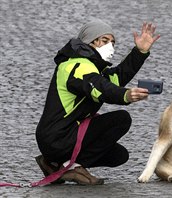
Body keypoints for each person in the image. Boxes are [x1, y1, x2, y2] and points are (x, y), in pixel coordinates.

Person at [35, 18, 160, 185]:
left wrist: (140, 52)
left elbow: (117, 77)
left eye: (113, 42)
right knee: (121, 119)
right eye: (105, 40)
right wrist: (126, 95)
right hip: (57, 138)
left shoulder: (94, 68)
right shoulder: (77, 65)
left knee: (119, 155)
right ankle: (72, 167)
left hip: (67, 136)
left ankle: (54, 164)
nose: (110, 46)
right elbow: (101, 88)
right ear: (90, 41)